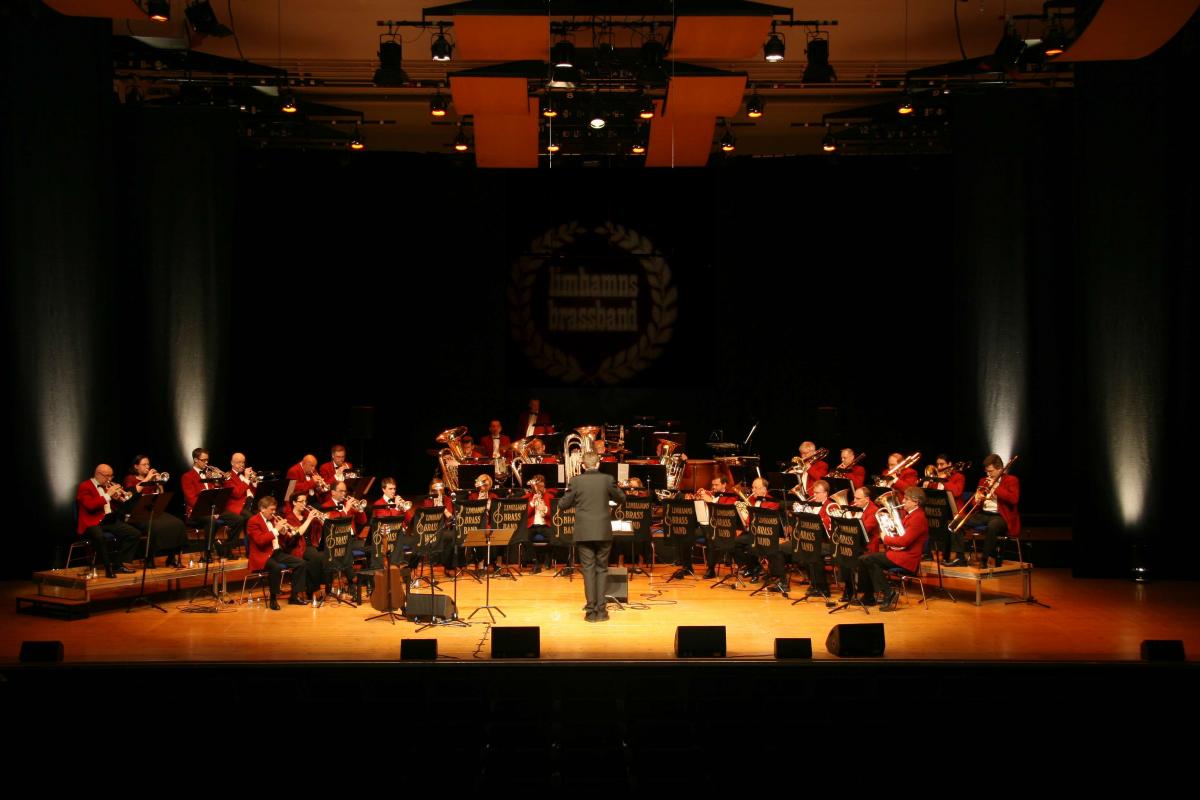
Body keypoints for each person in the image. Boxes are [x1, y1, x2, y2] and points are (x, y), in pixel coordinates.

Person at [557, 450, 625, 622]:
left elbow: (562, 504)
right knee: (602, 569)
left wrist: (573, 495)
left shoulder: (576, 481)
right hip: (602, 531)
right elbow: (622, 498)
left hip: (584, 532)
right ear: (598, 463)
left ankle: (590, 612)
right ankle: (601, 611)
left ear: (582, 465)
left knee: (588, 570)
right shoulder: (607, 479)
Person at [859, 486, 929, 611]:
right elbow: (901, 535)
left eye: (906, 499)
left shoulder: (918, 518)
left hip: (907, 558)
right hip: (899, 554)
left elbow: (904, 541)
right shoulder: (911, 515)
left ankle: (887, 593)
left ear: (916, 502)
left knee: (868, 559)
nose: (903, 501)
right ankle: (869, 596)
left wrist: (885, 538)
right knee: (865, 559)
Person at [949, 454, 1020, 568]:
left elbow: (1013, 499)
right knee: (957, 521)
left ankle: (984, 559)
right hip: (983, 514)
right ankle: (960, 557)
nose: (988, 474)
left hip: (1000, 516)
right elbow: (976, 504)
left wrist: (995, 487)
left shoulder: (1011, 480)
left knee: (993, 526)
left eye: (991, 471)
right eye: (987, 471)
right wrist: (977, 499)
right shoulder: (983, 481)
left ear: (1000, 469)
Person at [245, 496, 311, 610]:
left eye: (274, 509)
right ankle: (273, 599)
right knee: (275, 567)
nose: (274, 512)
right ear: (262, 509)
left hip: (277, 552)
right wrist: (276, 529)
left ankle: (294, 596)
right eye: (271, 510)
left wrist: (283, 532)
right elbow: (260, 540)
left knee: (301, 563)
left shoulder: (272, 519)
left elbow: (281, 538)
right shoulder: (253, 521)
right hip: (262, 555)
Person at [122, 454, 187, 567]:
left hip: (153, 511)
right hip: (137, 514)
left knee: (178, 524)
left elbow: (161, 496)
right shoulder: (130, 479)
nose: (147, 467)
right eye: (144, 464)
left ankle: (171, 556)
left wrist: (159, 483)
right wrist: (147, 479)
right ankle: (149, 558)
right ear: (136, 466)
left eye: (148, 464)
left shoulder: (152, 479)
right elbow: (132, 493)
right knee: (155, 527)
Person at [75, 464, 139, 577]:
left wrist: (117, 499)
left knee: (134, 533)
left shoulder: (106, 487)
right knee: (99, 537)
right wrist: (108, 494)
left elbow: (109, 505)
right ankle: (108, 568)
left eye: (111, 476)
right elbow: (90, 506)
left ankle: (118, 564)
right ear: (98, 474)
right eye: (107, 476)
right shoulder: (84, 486)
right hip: (91, 522)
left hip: (107, 520)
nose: (109, 479)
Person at [180, 447, 240, 559]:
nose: (206, 462)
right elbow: (191, 499)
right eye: (203, 460)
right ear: (195, 460)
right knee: (211, 520)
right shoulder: (187, 476)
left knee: (238, 520)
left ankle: (227, 549)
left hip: (213, 509)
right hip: (196, 512)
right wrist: (210, 512)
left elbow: (216, 494)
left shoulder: (209, 474)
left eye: (207, 460)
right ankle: (207, 553)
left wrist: (217, 481)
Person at [696, 475, 738, 579]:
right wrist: (698, 498)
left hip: (721, 528)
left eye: (716, 485)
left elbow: (724, 511)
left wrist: (710, 501)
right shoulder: (711, 493)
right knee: (686, 535)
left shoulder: (731, 496)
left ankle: (711, 569)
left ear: (724, 484)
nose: (713, 487)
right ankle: (687, 566)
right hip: (705, 525)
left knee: (711, 538)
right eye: (713, 485)